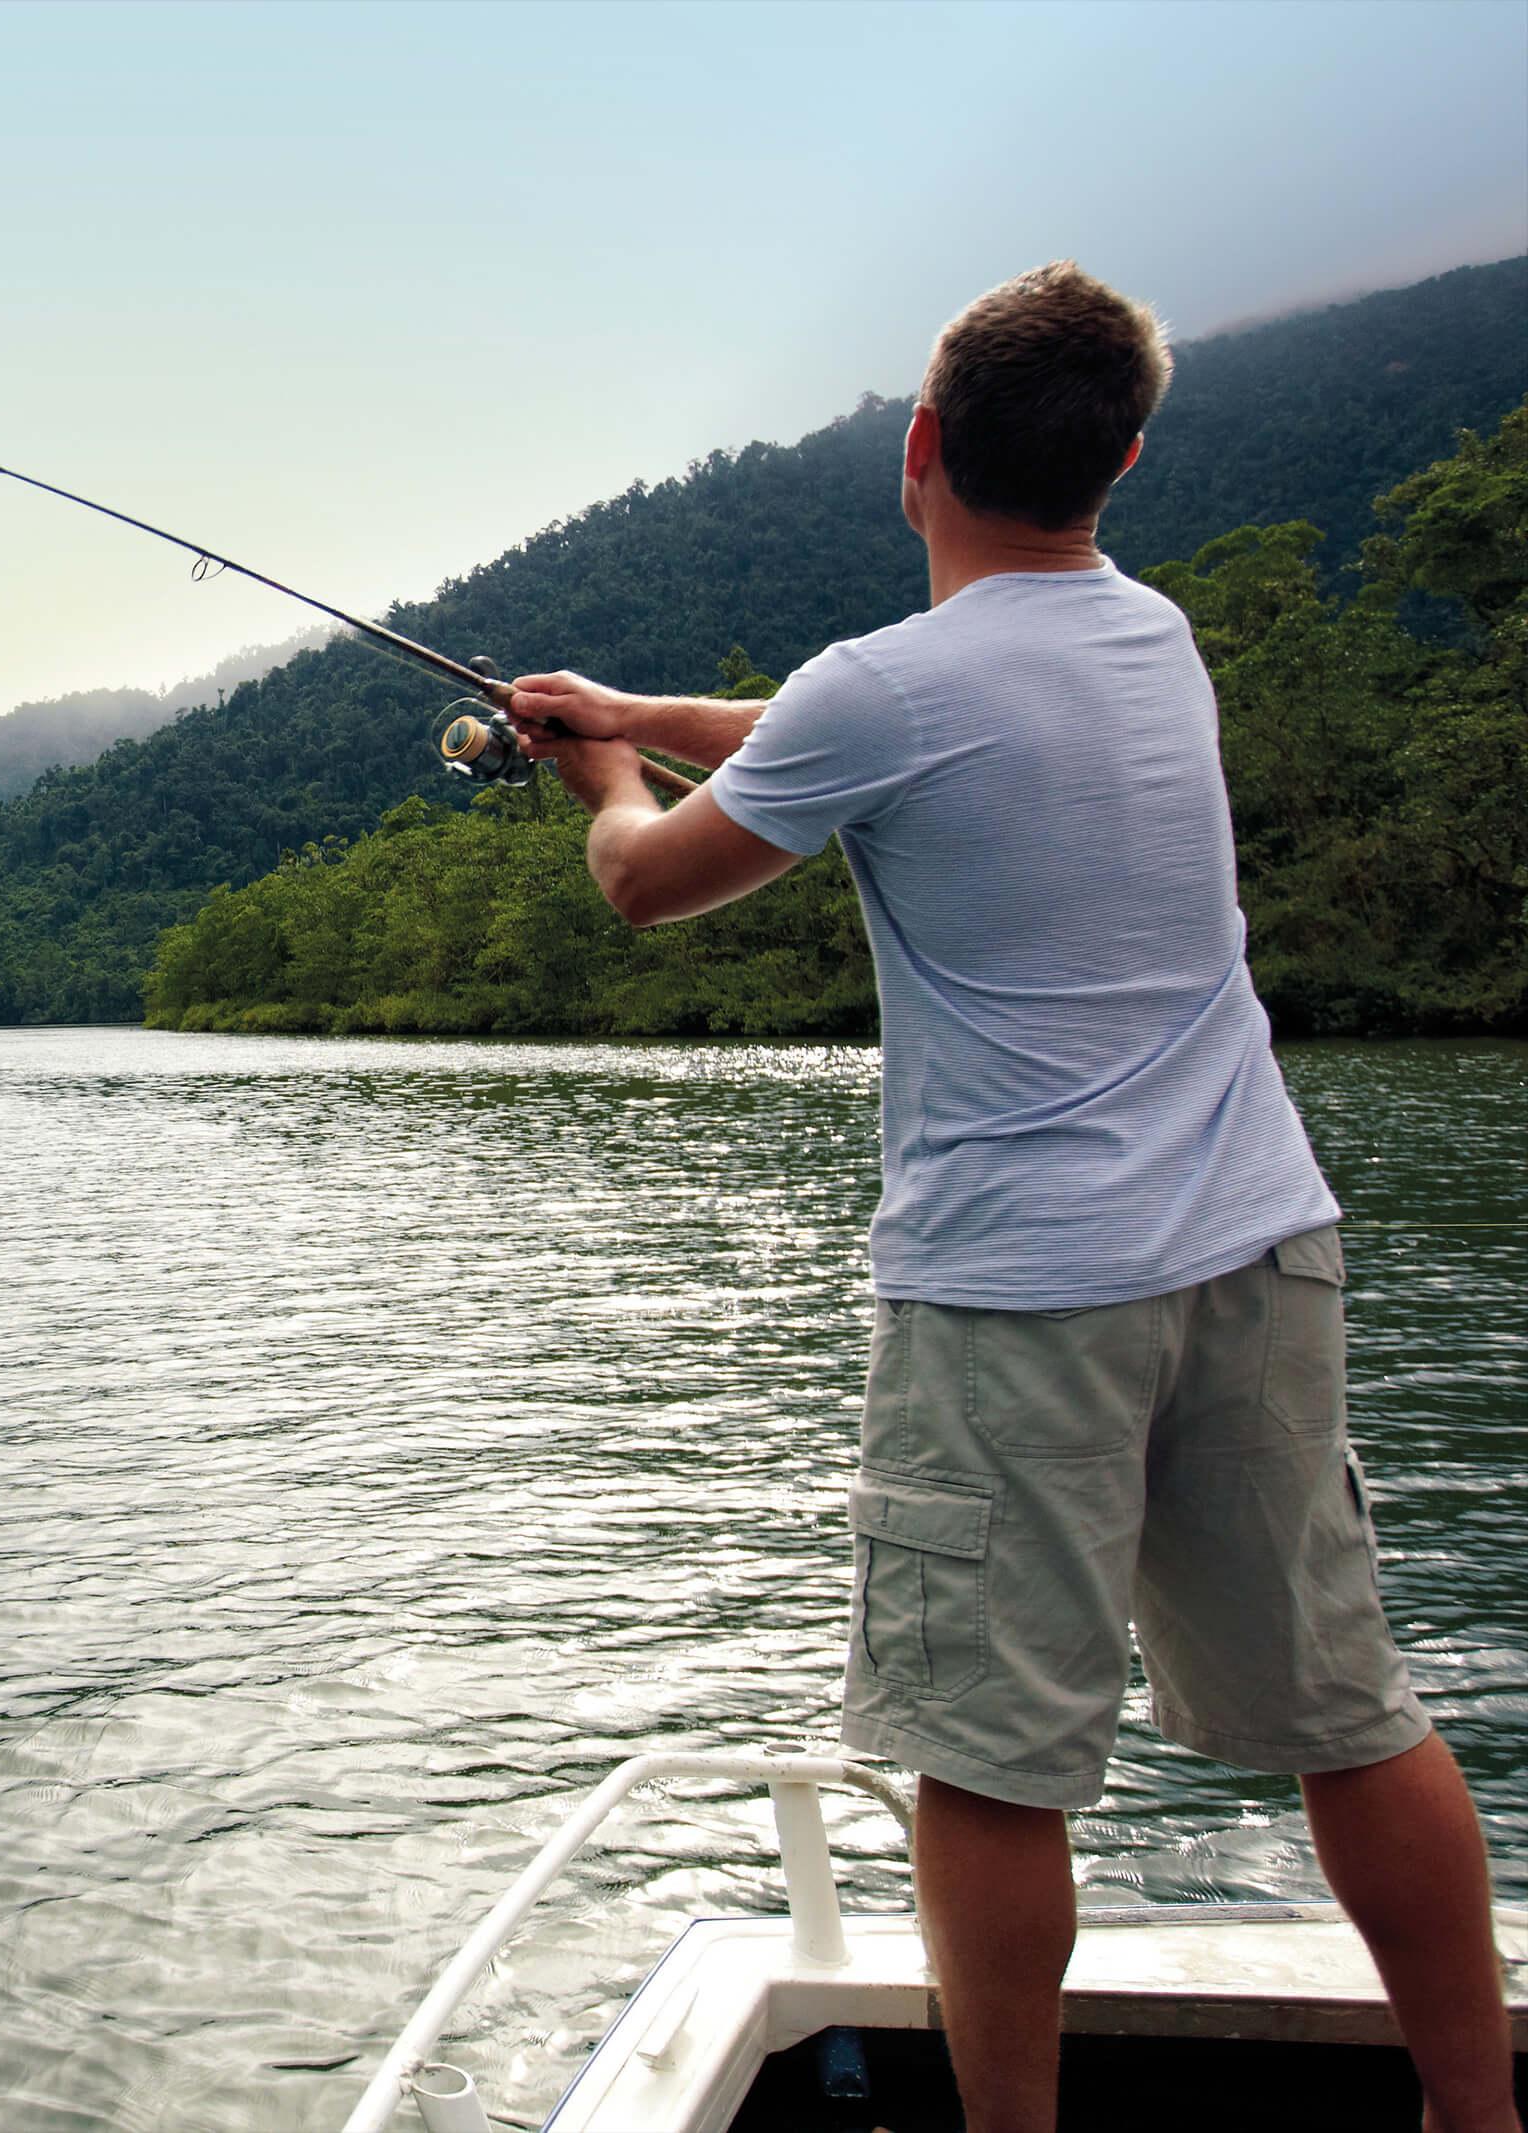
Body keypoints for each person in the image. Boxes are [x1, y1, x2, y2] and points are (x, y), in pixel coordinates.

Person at [505, 261, 1516, 2133]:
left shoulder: (886, 689)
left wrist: (608, 778)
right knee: (1352, 1712)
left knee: (987, 1764)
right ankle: (1482, 2115)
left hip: (1018, 1295)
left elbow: (651, 881)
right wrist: (637, 708)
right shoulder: (1156, 637)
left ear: (919, 449)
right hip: (1257, 1249)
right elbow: (851, 724)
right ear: (1121, 459)